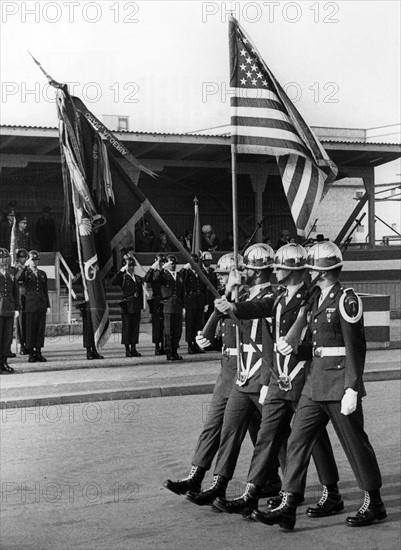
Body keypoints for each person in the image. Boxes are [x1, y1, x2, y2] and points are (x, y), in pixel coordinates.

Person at [251, 241, 386, 530]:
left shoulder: (345, 299)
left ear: (322, 272)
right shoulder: (314, 298)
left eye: (311, 269)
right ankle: (289, 503)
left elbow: (356, 347)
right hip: (314, 383)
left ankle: (373, 501)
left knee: (354, 443)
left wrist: (353, 386)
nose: (307, 273)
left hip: (339, 383)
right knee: (299, 439)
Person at [212, 244, 340, 518]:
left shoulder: (312, 295)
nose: (275, 271)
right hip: (279, 376)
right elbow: (260, 307)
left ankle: (331, 492)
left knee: (314, 438)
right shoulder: (281, 296)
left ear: (293, 271)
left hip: (303, 373)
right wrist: (232, 305)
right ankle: (251, 493)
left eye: (279, 268)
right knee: (266, 437)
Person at [185, 244, 282, 506]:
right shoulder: (243, 296)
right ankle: (219, 483)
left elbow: (259, 311)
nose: (243, 271)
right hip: (241, 374)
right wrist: (230, 296)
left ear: (259, 272)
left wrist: (233, 303)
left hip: (264, 375)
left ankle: (288, 488)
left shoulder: (273, 297)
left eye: (248, 267)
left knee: (276, 438)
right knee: (230, 430)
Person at [163, 252, 262, 495]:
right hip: (228, 370)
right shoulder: (227, 297)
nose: (220, 279)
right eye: (219, 275)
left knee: (264, 431)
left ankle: (275, 480)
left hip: (248, 368)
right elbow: (218, 331)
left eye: (225, 275)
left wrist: (233, 294)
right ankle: (197, 475)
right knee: (214, 424)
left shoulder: (249, 298)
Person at [16, 250, 50, 363]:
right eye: (32, 260)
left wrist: (48, 305)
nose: (35, 262)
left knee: (40, 330)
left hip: (41, 304)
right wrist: (25, 266)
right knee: (30, 330)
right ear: (28, 261)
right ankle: (31, 353)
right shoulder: (25, 272)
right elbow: (18, 278)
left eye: (36, 260)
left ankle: (38, 351)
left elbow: (45, 290)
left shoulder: (42, 273)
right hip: (30, 305)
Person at [151, 254, 184, 361]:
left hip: (177, 304)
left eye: (174, 264)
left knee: (177, 330)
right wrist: (161, 268)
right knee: (168, 330)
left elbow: (182, 292)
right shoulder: (164, 275)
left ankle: (175, 350)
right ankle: (169, 351)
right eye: (171, 264)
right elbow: (154, 279)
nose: (173, 266)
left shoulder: (178, 276)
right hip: (168, 304)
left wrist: (183, 306)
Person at [112, 255, 143, 357]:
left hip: (136, 304)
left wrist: (141, 306)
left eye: (132, 266)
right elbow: (114, 282)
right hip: (128, 304)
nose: (131, 268)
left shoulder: (137, 278)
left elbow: (140, 293)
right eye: (129, 266)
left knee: (135, 327)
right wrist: (121, 271)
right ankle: (127, 349)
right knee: (127, 327)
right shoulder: (123, 278)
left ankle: (133, 348)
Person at [181, 253, 208, 354]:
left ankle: (197, 344)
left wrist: (206, 303)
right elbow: (181, 280)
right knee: (190, 324)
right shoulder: (186, 273)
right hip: (190, 301)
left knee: (198, 324)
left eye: (196, 262)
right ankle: (190, 345)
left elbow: (204, 288)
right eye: (193, 262)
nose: (195, 264)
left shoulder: (200, 273)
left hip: (199, 301)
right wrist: (185, 268)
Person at [0, 248, 20, 374]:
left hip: (9, 308)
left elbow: (15, 291)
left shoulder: (11, 273)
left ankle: (4, 362)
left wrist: (17, 308)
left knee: (7, 338)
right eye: (1, 258)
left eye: (5, 257)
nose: (3, 260)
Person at [144, 253, 166, 355]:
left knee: (166, 325)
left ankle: (165, 345)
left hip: (165, 299)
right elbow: (147, 279)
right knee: (157, 325)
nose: (161, 264)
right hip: (157, 300)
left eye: (162, 262)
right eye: (159, 262)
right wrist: (153, 266)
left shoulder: (167, 272)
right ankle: (157, 346)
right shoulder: (154, 272)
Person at [10, 249, 29, 355]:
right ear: (18, 258)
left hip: (28, 297)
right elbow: (17, 278)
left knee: (27, 322)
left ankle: (29, 343)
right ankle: (21, 344)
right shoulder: (15, 268)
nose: (24, 259)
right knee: (20, 322)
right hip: (19, 297)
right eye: (22, 257)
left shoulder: (28, 267)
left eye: (25, 257)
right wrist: (25, 267)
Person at [200, 251, 218, 325]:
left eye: (210, 261)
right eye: (207, 261)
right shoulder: (200, 271)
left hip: (212, 297)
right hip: (203, 298)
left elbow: (215, 285)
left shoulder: (212, 271)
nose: (209, 262)